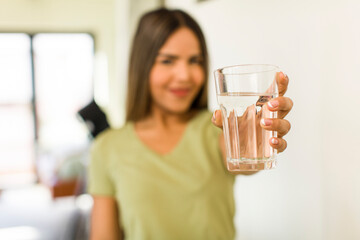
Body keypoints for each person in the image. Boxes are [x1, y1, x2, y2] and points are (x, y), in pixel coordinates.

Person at [88, 8, 293, 240]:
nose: (185, 75)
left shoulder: (216, 129)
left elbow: (244, 160)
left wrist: (251, 138)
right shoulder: (107, 148)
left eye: (195, 61)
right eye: (168, 61)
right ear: (142, 66)